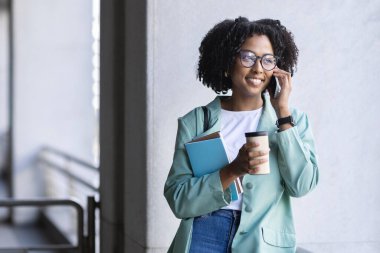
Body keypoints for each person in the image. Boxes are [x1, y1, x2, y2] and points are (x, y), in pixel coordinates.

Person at [164, 17, 319, 253]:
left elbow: (302, 186)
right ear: (227, 63)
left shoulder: (292, 121)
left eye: (268, 60)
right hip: (203, 234)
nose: (258, 68)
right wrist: (233, 169)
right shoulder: (195, 121)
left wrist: (283, 113)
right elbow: (178, 199)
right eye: (247, 57)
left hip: (262, 240)